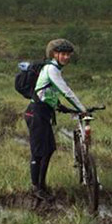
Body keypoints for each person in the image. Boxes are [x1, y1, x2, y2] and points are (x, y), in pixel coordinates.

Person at [24, 38, 86, 201]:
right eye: (63, 54)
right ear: (54, 54)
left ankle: (41, 185)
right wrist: (82, 109)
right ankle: (36, 188)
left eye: (68, 54)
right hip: (36, 113)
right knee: (39, 152)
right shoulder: (51, 69)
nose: (66, 57)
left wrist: (63, 108)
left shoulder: (55, 70)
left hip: (43, 113)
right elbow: (66, 91)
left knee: (48, 150)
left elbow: (48, 93)